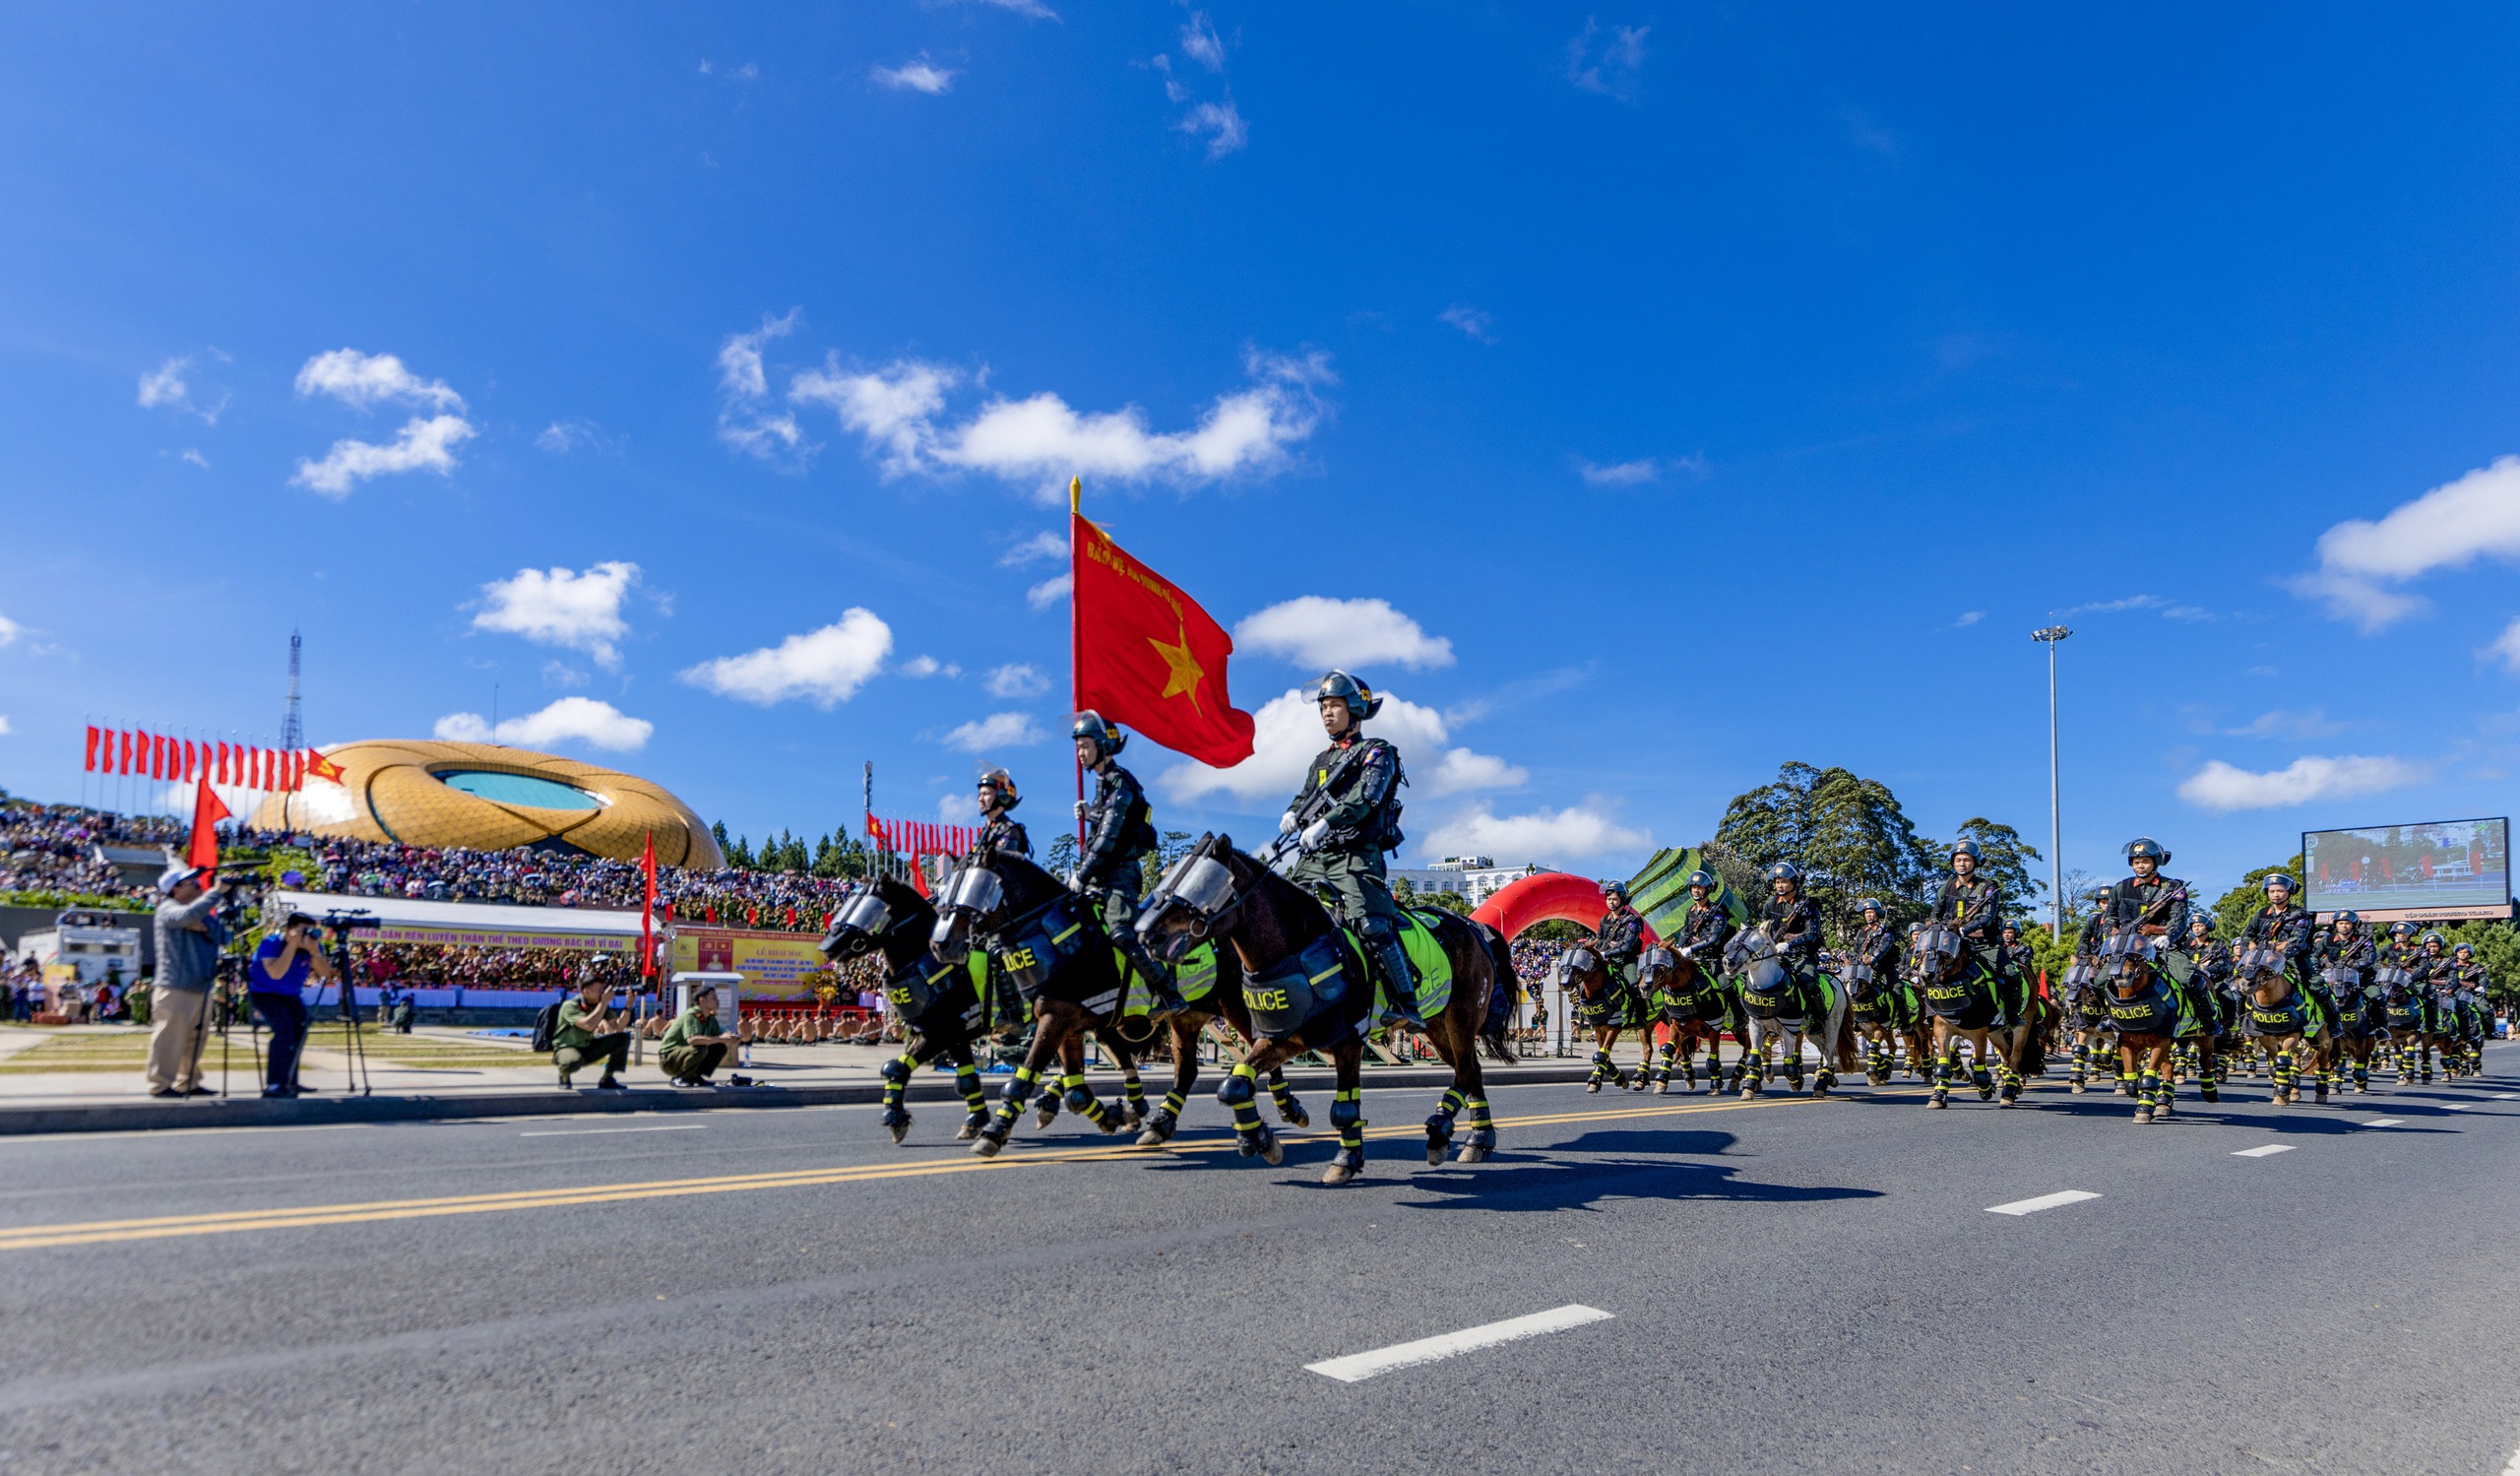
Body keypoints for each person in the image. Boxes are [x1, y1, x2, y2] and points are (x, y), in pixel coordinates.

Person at [1278, 670, 1418, 1027]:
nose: (1326, 712)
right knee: (1281, 912)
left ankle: (1405, 1003)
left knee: (1370, 924)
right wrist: (1294, 813)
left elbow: (1366, 798)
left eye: (1335, 705)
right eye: (1323, 706)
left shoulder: (1377, 752)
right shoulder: (1322, 760)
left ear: (1354, 710)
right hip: (1317, 856)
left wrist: (1328, 822)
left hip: (1357, 855)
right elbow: (1305, 795)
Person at [1068, 711, 1179, 1017]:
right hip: (1098, 876)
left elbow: (1108, 841)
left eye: (1085, 746)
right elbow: (1108, 824)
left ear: (1103, 746)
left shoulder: (1120, 782)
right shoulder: (1103, 784)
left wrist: (1081, 875)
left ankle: (1169, 992)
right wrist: (1090, 812)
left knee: (1121, 933)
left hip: (1118, 876)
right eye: (1078, 747)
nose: (1080, 753)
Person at [147, 865, 229, 1098]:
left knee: (195, 1039)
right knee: (169, 1038)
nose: (197, 884)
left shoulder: (200, 913)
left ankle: (188, 1082)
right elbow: (185, 917)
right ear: (175, 889)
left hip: (200, 986)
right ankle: (160, 1084)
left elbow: (225, 936)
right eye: (190, 882)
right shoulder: (167, 908)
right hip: (175, 986)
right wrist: (216, 892)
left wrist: (204, 927)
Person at [249, 912, 337, 1098]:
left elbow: (326, 975)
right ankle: (274, 1083)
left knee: (300, 1030)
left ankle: (290, 1080)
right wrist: (292, 945)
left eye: (310, 930)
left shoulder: (311, 947)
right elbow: (275, 973)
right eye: (303, 931)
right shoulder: (271, 943)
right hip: (265, 993)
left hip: (290, 995)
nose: (307, 935)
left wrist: (314, 952)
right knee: (284, 1030)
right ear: (289, 930)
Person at [1932, 841, 2015, 1019]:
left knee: (2010, 973)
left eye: (1967, 860)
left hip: (1984, 944)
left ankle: (2012, 1014)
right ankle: (1932, 1014)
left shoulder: (1988, 887)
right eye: (1958, 860)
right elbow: (1934, 917)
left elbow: (1987, 917)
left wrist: (1964, 930)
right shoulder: (1944, 888)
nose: (1962, 864)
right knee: (1925, 971)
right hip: (1952, 945)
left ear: (1976, 862)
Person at [1759, 862, 1824, 1019]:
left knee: (1808, 982)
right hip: (1775, 955)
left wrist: (1789, 944)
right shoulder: (1770, 904)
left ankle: (1817, 1017)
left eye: (1784, 882)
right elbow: (1763, 928)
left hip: (1802, 955)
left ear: (1794, 883)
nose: (1780, 885)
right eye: (1777, 882)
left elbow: (1812, 935)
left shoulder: (1808, 905)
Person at [551, 972, 631, 1089]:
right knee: (572, 1061)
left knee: (622, 1038)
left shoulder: (600, 1005)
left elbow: (618, 1027)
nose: (603, 993)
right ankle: (564, 1076)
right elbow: (588, 1025)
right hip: (567, 1047)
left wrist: (628, 1006)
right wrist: (603, 1003)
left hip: (587, 1047)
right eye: (599, 991)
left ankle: (607, 1078)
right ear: (586, 992)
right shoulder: (570, 1005)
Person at [659, 982, 738, 1086]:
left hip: (684, 1054)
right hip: (669, 1059)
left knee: (720, 1047)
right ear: (702, 1000)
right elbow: (692, 1040)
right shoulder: (692, 1014)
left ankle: (695, 1076)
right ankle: (680, 1078)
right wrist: (719, 1038)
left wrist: (732, 1038)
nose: (718, 1001)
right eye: (713, 998)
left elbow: (718, 1036)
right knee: (700, 1048)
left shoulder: (710, 1016)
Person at [1595, 881, 1644, 994]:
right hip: (1606, 959)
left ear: (1622, 899)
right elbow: (1598, 939)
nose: (1610, 902)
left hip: (1626, 960)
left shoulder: (1632, 920)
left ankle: (1641, 1010)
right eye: (1608, 899)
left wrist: (1606, 953)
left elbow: (1626, 947)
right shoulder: (1604, 919)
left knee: (1634, 985)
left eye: (1614, 899)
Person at [973, 770, 1031, 860]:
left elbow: (1003, 864)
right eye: (979, 795)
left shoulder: (1009, 830)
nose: (980, 799)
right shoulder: (985, 831)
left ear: (1002, 797)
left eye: (985, 794)